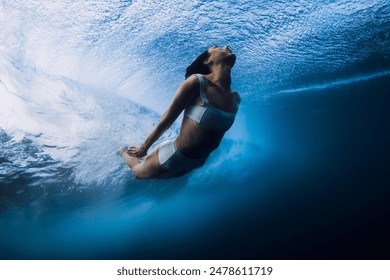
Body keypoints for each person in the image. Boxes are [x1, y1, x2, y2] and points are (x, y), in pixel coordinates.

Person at [118, 46, 240, 179]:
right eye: (218, 47)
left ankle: (149, 157)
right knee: (138, 172)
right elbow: (167, 119)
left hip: (197, 162)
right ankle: (123, 151)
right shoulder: (197, 82)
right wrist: (144, 147)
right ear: (207, 60)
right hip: (173, 155)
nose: (227, 47)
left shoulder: (235, 98)